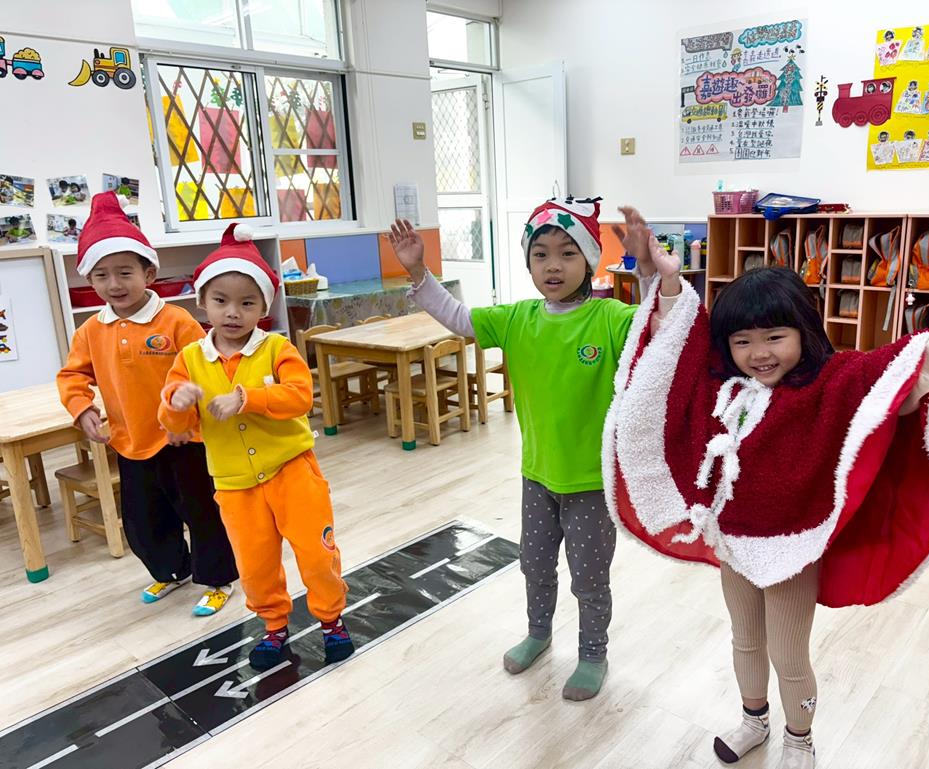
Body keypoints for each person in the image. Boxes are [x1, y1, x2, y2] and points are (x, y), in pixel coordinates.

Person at [604, 230, 929, 767]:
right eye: (742, 341)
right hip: (731, 539)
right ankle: (753, 721)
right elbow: (677, 345)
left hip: (792, 549)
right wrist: (667, 282)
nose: (759, 353)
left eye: (775, 336)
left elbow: (902, 373)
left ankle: (799, 738)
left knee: (788, 653)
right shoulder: (720, 387)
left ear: (803, 330)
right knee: (744, 638)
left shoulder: (833, 382)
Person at [387, 199, 680, 700]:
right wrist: (418, 271)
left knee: (589, 579)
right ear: (528, 263)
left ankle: (593, 654)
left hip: (591, 483)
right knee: (534, 565)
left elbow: (662, 330)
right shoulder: (518, 318)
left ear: (589, 260)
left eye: (567, 253)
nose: (553, 265)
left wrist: (654, 274)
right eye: (540, 254)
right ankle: (539, 633)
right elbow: (459, 317)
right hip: (537, 476)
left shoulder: (609, 317)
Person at [158, 223, 354, 670]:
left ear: (264, 306)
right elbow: (174, 426)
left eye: (247, 303)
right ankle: (273, 628)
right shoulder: (189, 359)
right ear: (202, 302)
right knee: (255, 565)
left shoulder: (277, 348)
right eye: (221, 301)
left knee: (317, 554)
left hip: (293, 470)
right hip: (234, 484)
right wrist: (177, 403)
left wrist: (248, 398)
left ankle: (331, 620)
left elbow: (300, 396)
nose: (233, 313)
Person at [57, 192, 237, 614]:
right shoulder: (91, 331)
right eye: (101, 275)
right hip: (130, 441)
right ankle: (172, 570)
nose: (114, 284)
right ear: (90, 280)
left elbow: (205, 369)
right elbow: (72, 376)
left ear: (149, 273)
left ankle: (218, 578)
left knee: (203, 513)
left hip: (184, 440)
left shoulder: (176, 321)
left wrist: (188, 415)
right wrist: (82, 408)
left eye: (124, 272)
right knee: (143, 520)